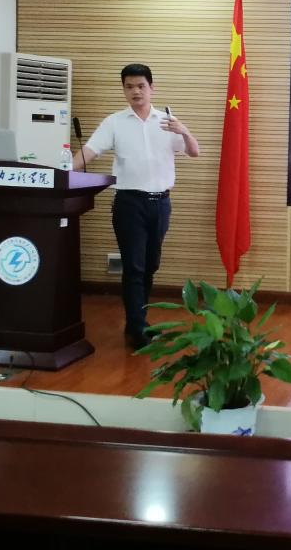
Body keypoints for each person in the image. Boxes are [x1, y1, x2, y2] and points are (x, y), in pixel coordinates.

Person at [75, 63, 200, 349]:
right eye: (129, 86)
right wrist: (61, 172)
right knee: (134, 266)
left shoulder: (167, 121)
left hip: (161, 203)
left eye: (141, 86)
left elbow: (194, 152)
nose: (135, 91)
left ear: (151, 88)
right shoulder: (114, 122)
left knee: (150, 265)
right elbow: (89, 152)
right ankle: (138, 326)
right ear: (124, 89)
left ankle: (136, 322)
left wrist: (184, 131)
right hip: (129, 203)